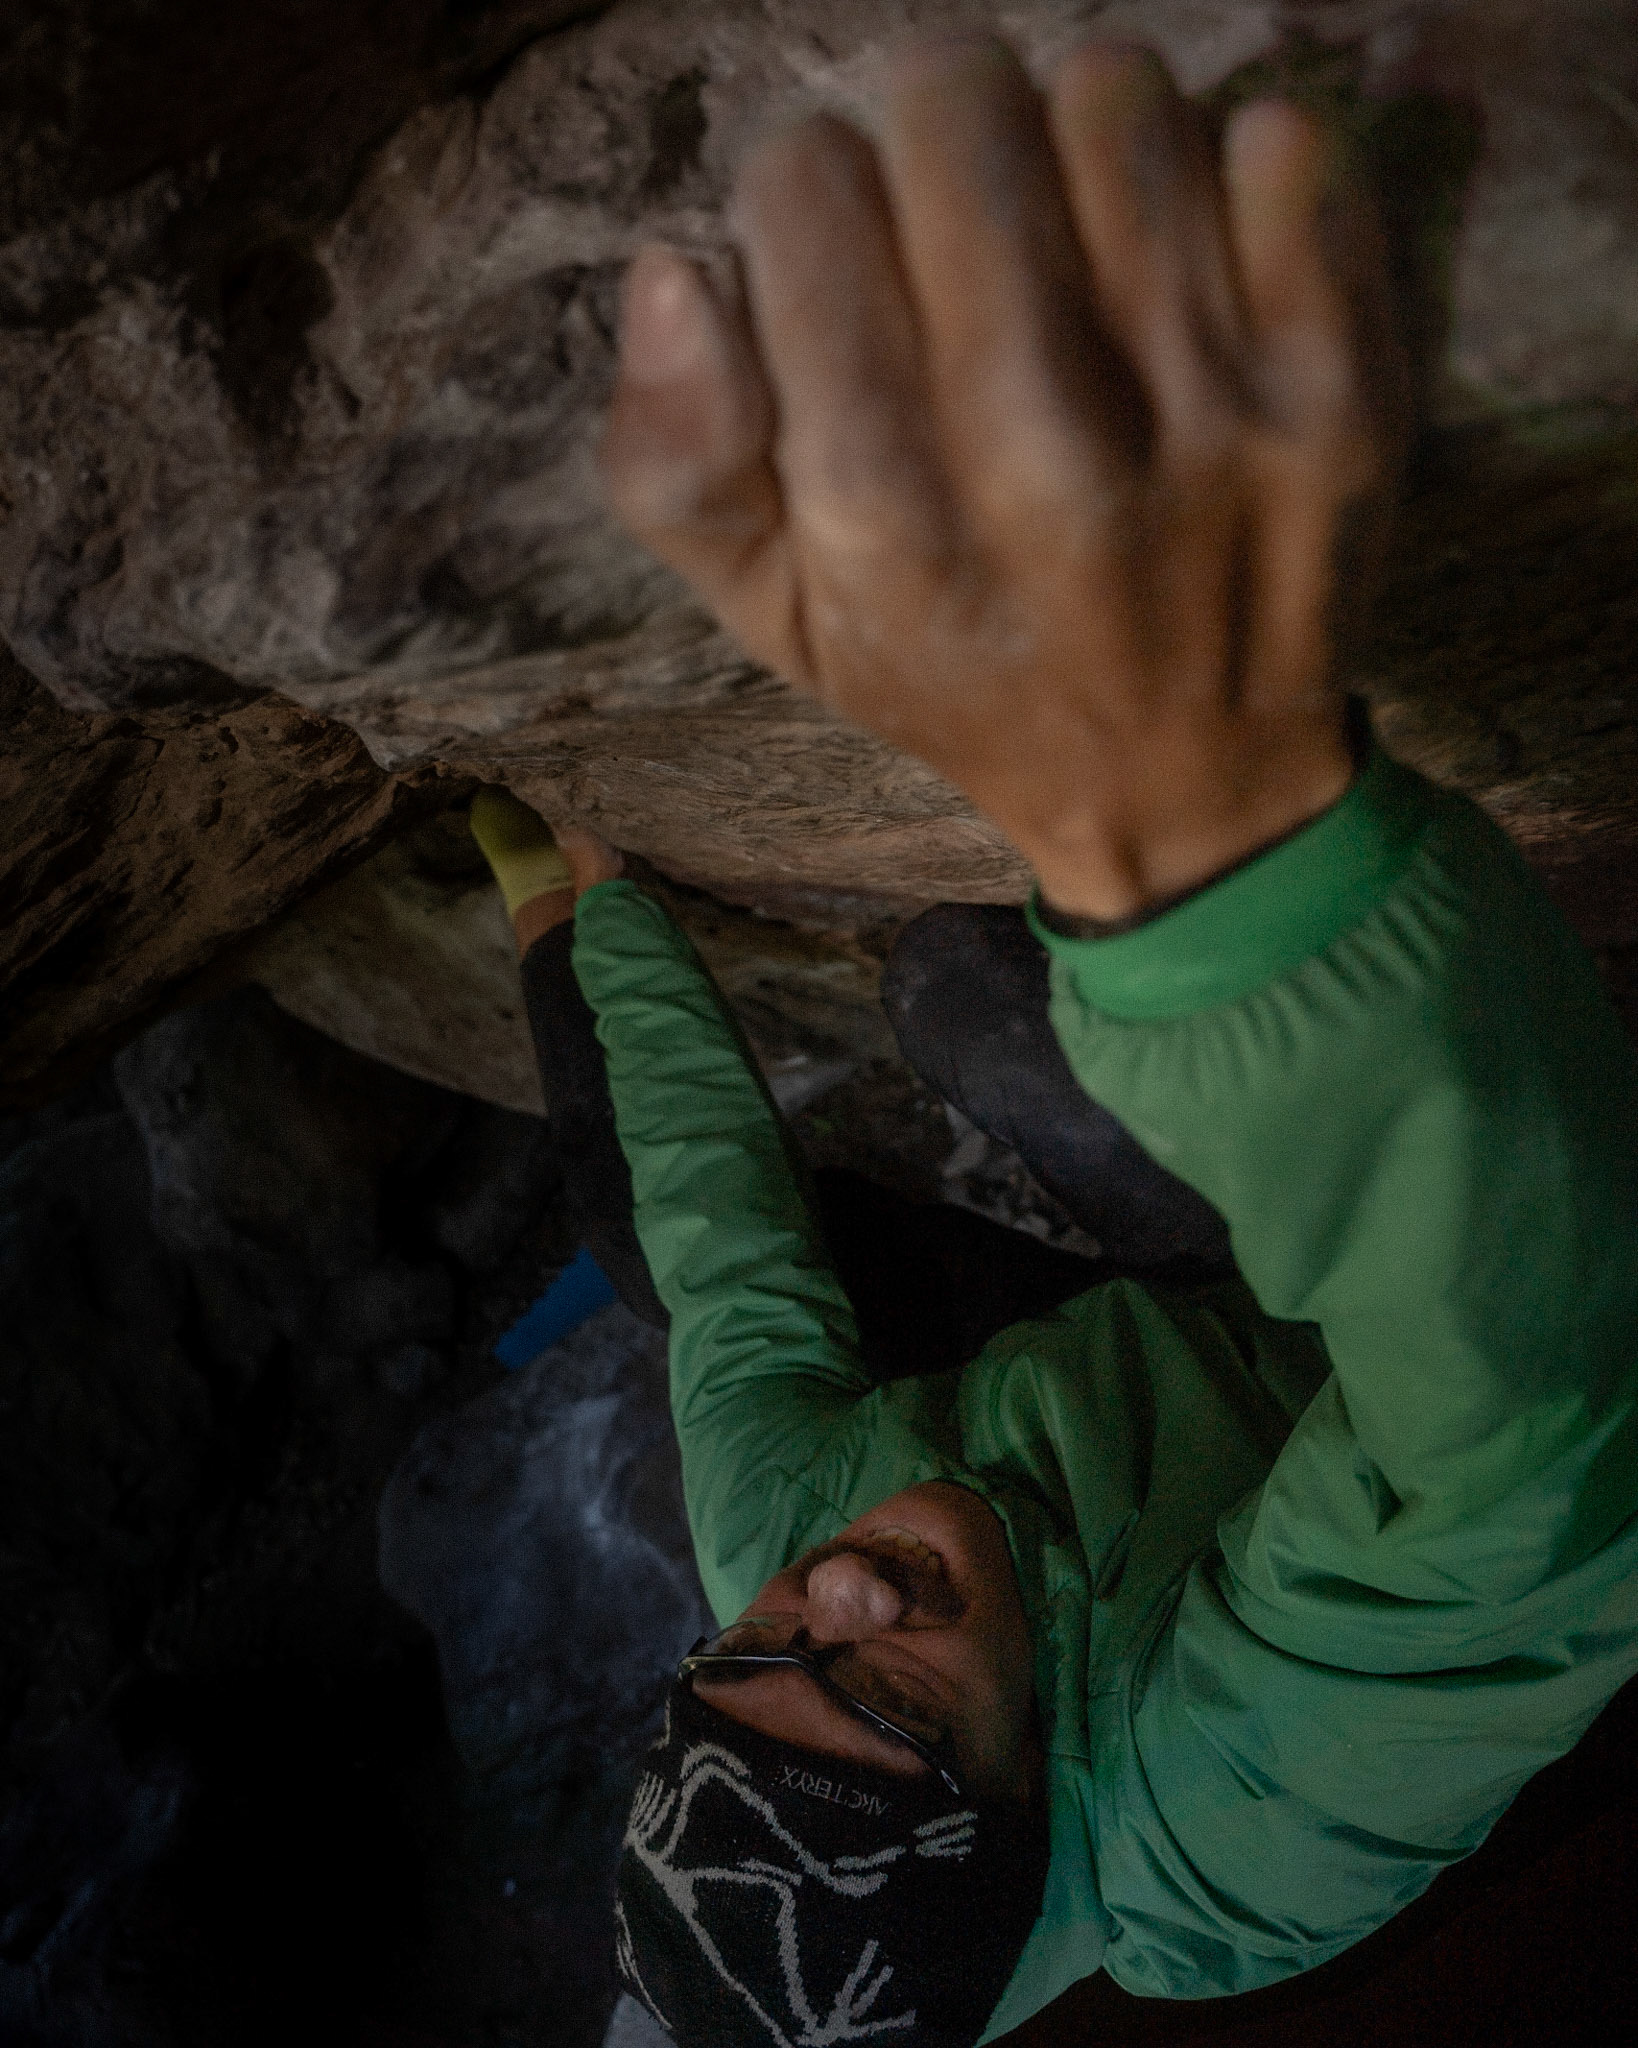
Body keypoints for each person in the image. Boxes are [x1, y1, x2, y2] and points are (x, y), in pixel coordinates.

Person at [469, 33, 1638, 2048]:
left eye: (753, 1656)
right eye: (887, 1704)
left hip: (1135, 1420)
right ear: (1021, 1802)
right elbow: (1520, 1472)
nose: (836, 1597)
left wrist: (597, 899)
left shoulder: (791, 1560)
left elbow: (729, 1262)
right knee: (1024, 1029)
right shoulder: (1232, 1832)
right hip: (1430, 1522)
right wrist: (1212, 864)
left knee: (792, 1124)